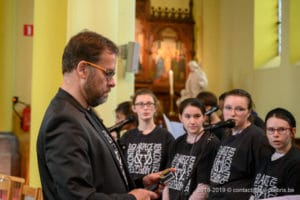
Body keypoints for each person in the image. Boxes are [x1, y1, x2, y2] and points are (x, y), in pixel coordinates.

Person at [36, 30, 168, 200]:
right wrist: (132, 199)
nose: (112, 82)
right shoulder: (64, 121)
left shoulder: (83, 111)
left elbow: (100, 177)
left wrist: (141, 183)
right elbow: (77, 197)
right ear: (83, 69)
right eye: (108, 73)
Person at [208, 89, 273, 200]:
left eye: (239, 109)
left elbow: (265, 178)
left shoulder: (257, 138)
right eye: (228, 108)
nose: (232, 114)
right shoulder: (228, 132)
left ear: (248, 112)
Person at [162, 98, 220, 200]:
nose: (192, 121)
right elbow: (167, 178)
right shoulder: (177, 142)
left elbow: (204, 186)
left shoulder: (210, 143)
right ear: (180, 117)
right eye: (187, 116)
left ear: (204, 117)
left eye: (197, 116)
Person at [119, 88, 175, 184]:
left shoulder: (166, 136)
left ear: (155, 107)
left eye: (149, 104)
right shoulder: (127, 137)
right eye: (140, 104)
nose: (145, 108)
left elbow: (171, 169)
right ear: (134, 108)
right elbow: (120, 168)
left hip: (156, 192)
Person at [250, 108, 300, 199]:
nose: (275, 134)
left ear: (293, 132)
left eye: (281, 129)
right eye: (271, 129)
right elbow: (254, 193)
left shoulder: (296, 162)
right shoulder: (266, 157)